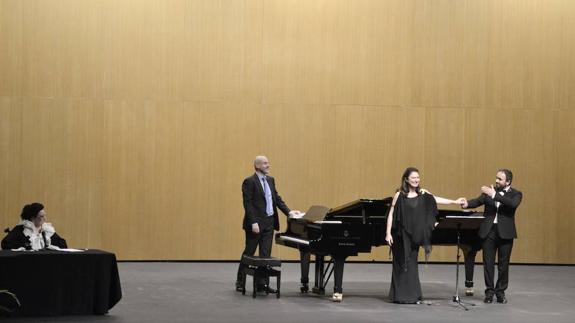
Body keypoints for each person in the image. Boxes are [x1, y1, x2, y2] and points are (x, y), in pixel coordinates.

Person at [385, 167, 465, 304]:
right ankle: (399, 296)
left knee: (411, 265)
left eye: (418, 177)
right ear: (406, 179)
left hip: (414, 236)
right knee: (400, 265)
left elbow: (436, 199)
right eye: (413, 178)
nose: (416, 180)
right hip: (400, 236)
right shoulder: (399, 195)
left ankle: (412, 296)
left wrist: (454, 202)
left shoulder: (423, 193)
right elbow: (391, 214)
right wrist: (388, 233)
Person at [235, 156, 302, 293]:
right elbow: (247, 204)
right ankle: (240, 281)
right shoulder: (249, 182)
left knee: (265, 254)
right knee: (249, 252)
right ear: (257, 166)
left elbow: (277, 199)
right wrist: (253, 222)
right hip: (256, 224)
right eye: (265, 163)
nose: (268, 165)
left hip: (269, 223)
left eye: (268, 163)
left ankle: (262, 284)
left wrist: (289, 212)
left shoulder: (270, 180)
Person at [461, 169, 522, 304]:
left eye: (500, 179)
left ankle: (500, 292)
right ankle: (489, 292)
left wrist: (494, 194)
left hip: (506, 233)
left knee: (503, 264)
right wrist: (466, 204)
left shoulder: (516, 194)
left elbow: (512, 204)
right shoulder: (489, 192)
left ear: (508, 182)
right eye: (496, 178)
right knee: (488, 263)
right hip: (489, 232)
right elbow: (477, 201)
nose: (496, 181)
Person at [1, 203, 67, 250]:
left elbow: (63, 245)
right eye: (42, 216)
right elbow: (5, 244)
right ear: (33, 218)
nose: (45, 219)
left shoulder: (46, 230)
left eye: (45, 215)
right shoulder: (22, 229)